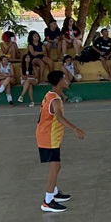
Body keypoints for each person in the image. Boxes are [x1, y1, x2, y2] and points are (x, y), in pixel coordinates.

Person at [38, 71, 86, 212]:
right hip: (48, 136)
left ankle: (54, 193)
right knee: (55, 166)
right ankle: (47, 201)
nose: (67, 80)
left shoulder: (51, 94)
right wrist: (75, 128)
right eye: (65, 79)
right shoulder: (55, 100)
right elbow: (59, 117)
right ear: (59, 82)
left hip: (49, 135)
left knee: (56, 165)